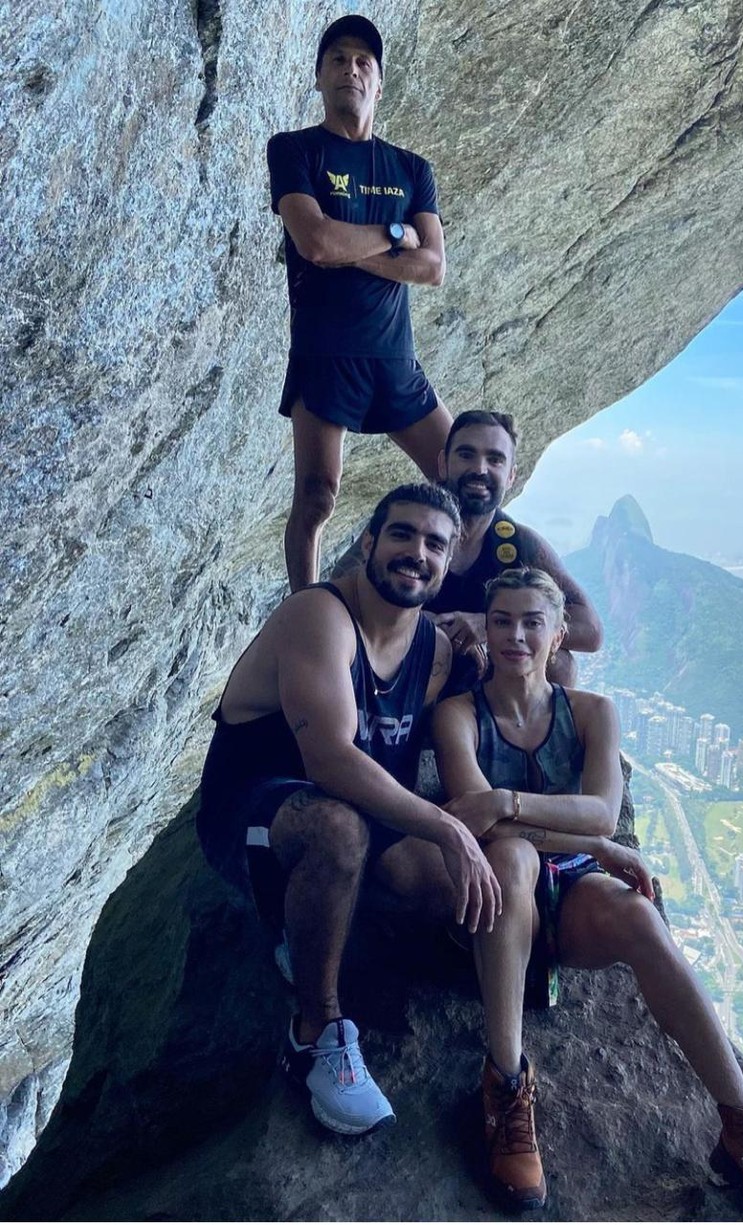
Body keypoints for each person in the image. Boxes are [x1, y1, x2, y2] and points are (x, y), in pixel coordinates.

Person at [431, 568, 743, 1221]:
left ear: (559, 635)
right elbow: (477, 822)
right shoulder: (459, 715)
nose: (516, 635)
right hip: (490, 904)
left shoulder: (591, 712)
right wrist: (578, 837)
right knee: (511, 854)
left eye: (533, 621)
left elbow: (601, 812)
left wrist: (513, 801)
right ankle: (505, 1086)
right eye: (502, 620)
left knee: (639, 915)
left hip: (571, 896)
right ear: (486, 627)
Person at [196, 483, 501, 1136]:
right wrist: (444, 824)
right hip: (254, 817)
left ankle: (312, 927)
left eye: (435, 544)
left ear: (448, 565)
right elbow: (330, 759)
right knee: (338, 832)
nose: (417, 552)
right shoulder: (319, 615)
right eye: (402, 534)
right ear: (368, 542)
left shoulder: (437, 652)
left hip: (361, 817)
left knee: (450, 892)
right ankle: (316, 1029)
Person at [267, 14, 451, 591]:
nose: (351, 69)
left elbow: (433, 267)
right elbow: (314, 240)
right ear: (319, 78)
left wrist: (343, 245)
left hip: (394, 359)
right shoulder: (294, 150)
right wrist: (395, 234)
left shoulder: (411, 169)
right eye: (338, 60)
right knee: (317, 496)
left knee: (459, 478)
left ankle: (468, 601)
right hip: (325, 355)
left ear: (378, 83)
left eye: (363, 62)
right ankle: (307, 612)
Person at [429, 410, 602, 687]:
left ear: (511, 476)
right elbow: (346, 593)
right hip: (410, 670)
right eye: (466, 455)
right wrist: (422, 625)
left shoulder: (520, 545)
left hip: (483, 687)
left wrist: (489, 625)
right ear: (443, 464)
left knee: (560, 664)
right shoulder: (409, 523)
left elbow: (590, 631)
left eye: (495, 459)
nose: (480, 469)